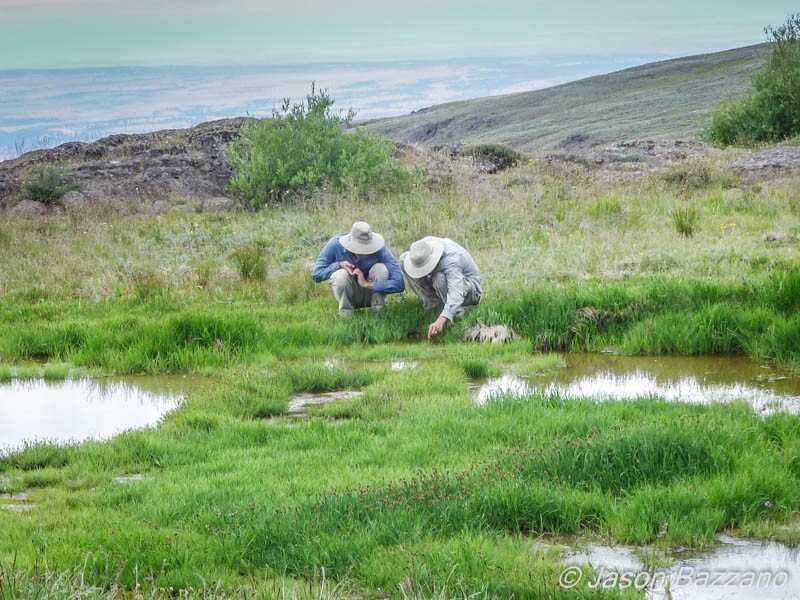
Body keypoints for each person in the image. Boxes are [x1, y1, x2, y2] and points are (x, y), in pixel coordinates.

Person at [312, 221, 405, 315]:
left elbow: (399, 284)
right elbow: (317, 274)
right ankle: (346, 314)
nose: (363, 252)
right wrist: (338, 265)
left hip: (372, 292)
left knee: (381, 269)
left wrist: (366, 284)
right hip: (348, 292)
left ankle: (379, 311)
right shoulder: (335, 245)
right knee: (340, 275)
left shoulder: (380, 248)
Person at [400, 236, 482, 339]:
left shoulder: (451, 259)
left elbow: (456, 292)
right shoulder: (422, 247)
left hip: (470, 290)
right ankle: (432, 306)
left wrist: (442, 319)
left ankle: (457, 318)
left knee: (439, 278)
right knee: (404, 259)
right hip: (441, 282)